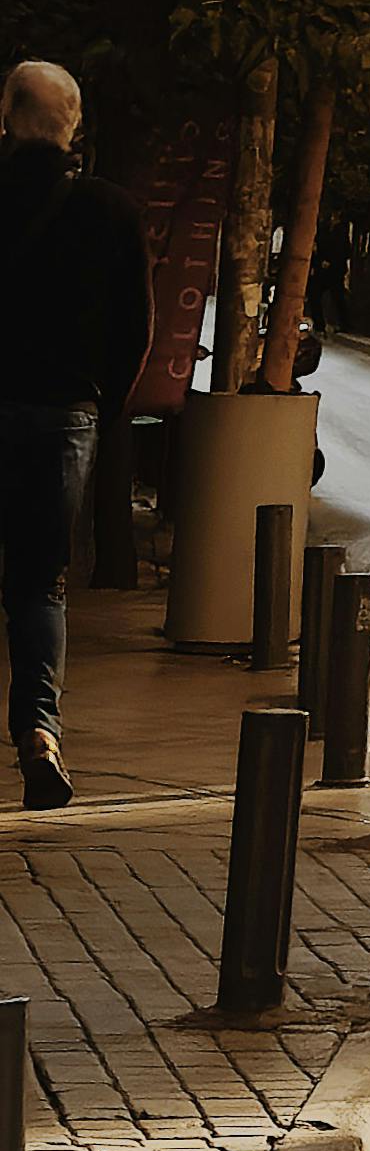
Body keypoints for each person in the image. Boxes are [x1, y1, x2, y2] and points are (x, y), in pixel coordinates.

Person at [0, 57, 151, 817]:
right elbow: (137, 331)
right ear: (74, 125)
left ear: (6, 119)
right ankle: (40, 734)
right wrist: (103, 407)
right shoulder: (113, 212)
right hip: (67, 415)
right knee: (41, 578)